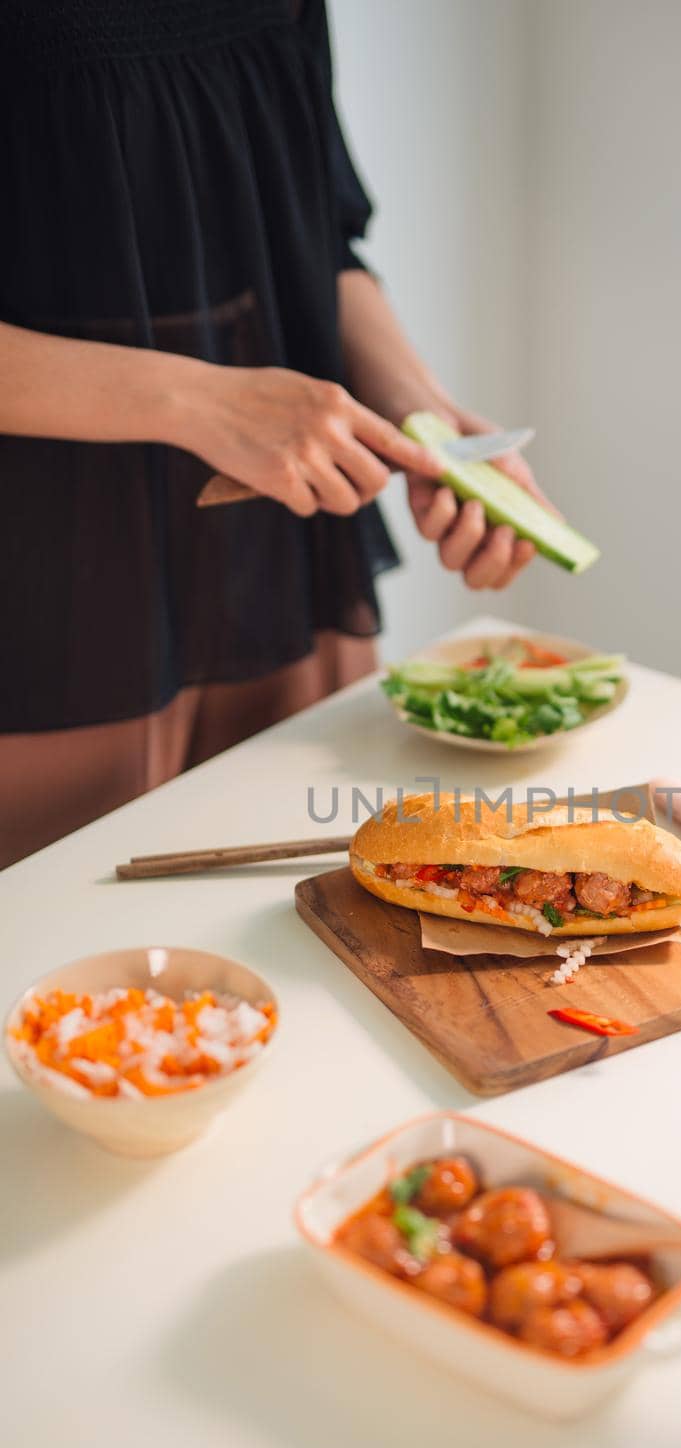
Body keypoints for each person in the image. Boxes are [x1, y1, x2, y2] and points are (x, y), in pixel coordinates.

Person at [0, 0, 543, 869]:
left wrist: (425, 420)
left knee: (319, 927)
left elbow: (316, 235)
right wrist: (197, 402)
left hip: (280, 554)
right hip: (47, 605)